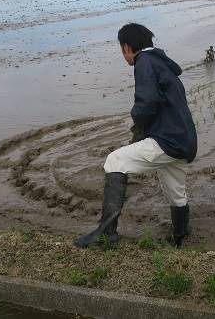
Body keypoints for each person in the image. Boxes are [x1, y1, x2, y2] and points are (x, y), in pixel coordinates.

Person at [74, 23, 197, 248]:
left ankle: (106, 234)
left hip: (167, 139)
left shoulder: (144, 63)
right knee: (175, 193)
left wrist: (137, 127)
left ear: (127, 47)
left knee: (114, 161)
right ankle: (180, 236)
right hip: (185, 140)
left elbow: (146, 102)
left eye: (122, 50)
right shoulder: (162, 63)